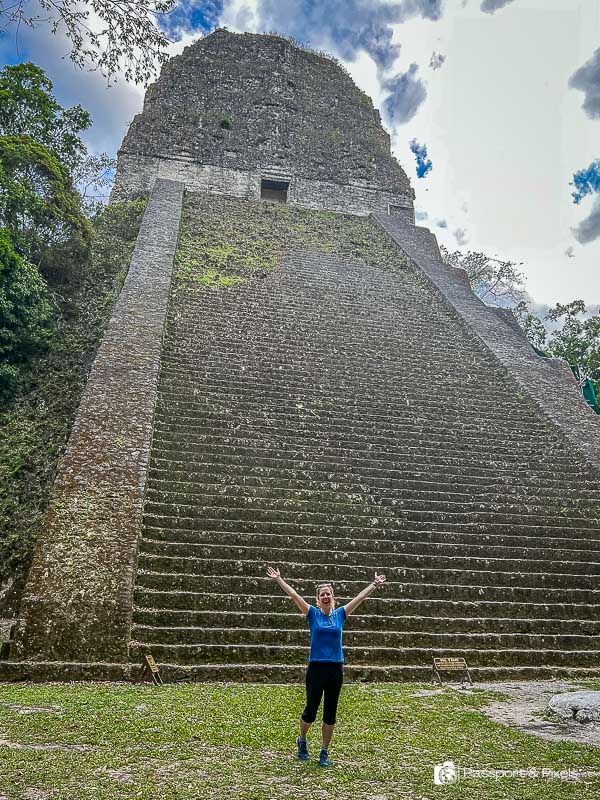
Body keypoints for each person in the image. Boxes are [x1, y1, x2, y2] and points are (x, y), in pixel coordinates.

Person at [266, 565, 386, 766]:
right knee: (311, 710)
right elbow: (295, 596)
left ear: (333, 597)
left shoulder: (340, 614)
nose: (325, 597)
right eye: (322, 594)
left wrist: (373, 584)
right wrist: (279, 579)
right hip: (316, 668)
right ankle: (302, 740)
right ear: (318, 599)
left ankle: (324, 751)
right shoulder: (312, 614)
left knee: (330, 713)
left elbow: (359, 599)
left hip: (335, 668)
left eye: (328, 594)